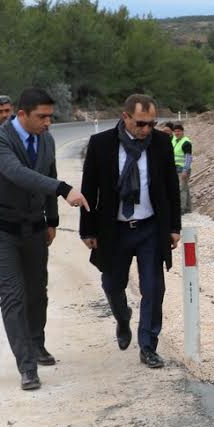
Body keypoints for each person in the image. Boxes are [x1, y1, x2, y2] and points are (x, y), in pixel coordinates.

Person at [0, 87, 90, 390]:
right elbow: (18, 174)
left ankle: (37, 343)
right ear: (22, 114)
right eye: (42, 117)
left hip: (33, 227)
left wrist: (51, 219)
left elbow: (47, 172)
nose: (48, 122)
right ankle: (27, 366)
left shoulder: (46, 139)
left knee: (37, 291)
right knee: (12, 295)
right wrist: (65, 189)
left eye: (50, 117)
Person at [78, 94, 181, 369]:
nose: (146, 129)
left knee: (154, 289)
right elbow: (89, 190)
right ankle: (122, 317)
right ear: (125, 118)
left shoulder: (160, 143)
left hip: (149, 228)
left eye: (151, 123)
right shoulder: (101, 145)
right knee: (112, 285)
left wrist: (174, 226)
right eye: (140, 124)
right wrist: (87, 230)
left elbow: (172, 186)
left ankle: (148, 346)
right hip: (115, 230)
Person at [170, 122, 193, 214]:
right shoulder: (174, 140)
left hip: (183, 169)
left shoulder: (186, 142)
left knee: (181, 189)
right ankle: (188, 208)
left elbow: (188, 157)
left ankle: (182, 209)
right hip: (175, 168)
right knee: (185, 188)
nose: (176, 133)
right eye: (175, 131)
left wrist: (185, 170)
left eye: (178, 131)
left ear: (182, 132)